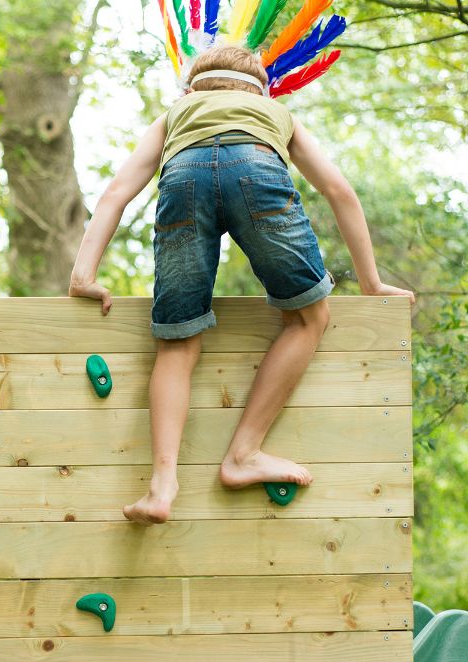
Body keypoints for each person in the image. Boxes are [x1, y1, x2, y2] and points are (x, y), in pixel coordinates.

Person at [68, 44, 414, 525]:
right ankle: (244, 454)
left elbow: (116, 193)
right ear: (262, 88)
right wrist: (372, 282)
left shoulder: (177, 113)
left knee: (177, 341)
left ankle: (161, 487)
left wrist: (83, 274)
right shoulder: (275, 111)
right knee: (309, 317)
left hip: (182, 179)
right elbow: (339, 191)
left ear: (193, 88)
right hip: (258, 170)